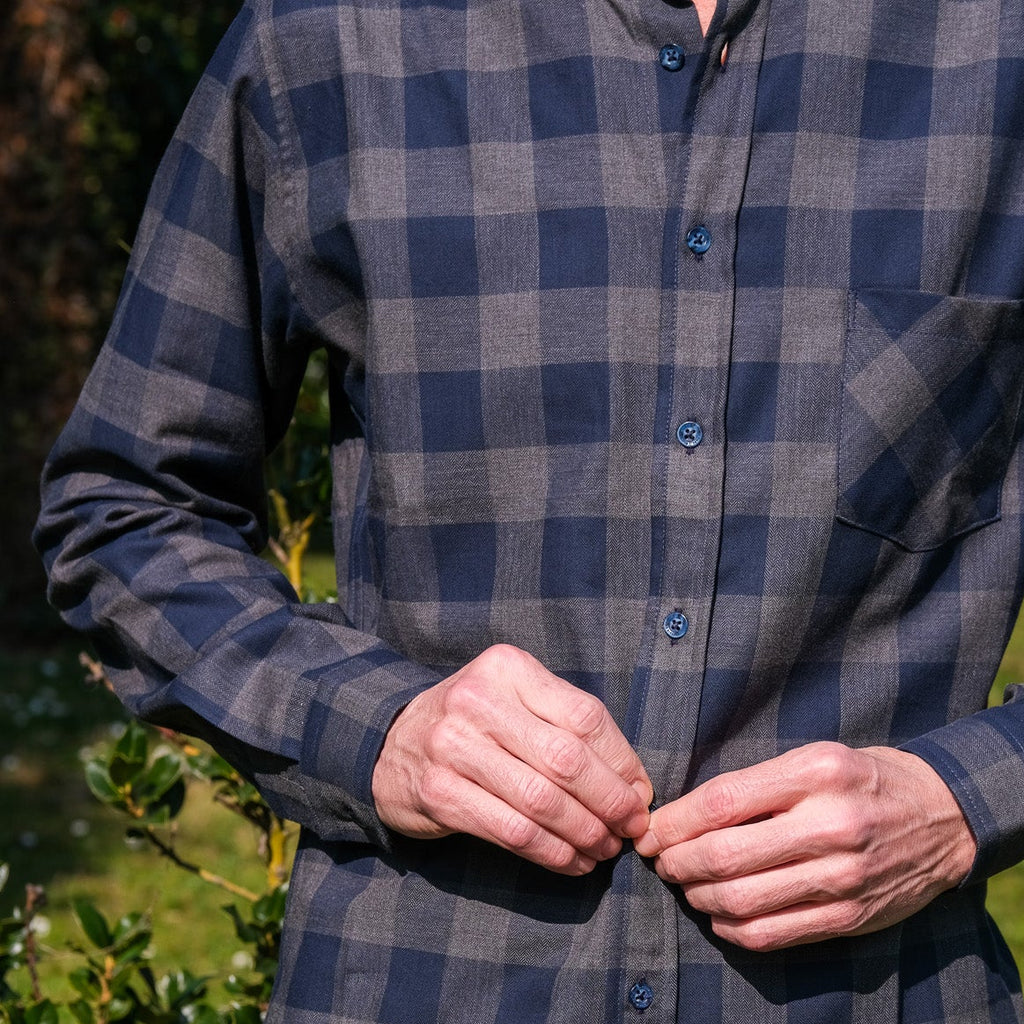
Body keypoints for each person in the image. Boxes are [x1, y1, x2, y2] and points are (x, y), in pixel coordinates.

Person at [34, 0, 1024, 1019]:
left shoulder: (995, 46)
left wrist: (964, 797)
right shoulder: (327, 40)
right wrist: (379, 728)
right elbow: (125, 505)